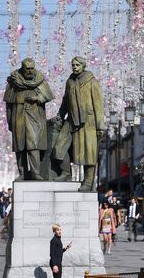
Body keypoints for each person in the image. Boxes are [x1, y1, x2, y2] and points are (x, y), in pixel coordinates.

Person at [57, 56, 105, 191]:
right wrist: (60, 115)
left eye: (77, 65)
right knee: (60, 146)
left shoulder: (92, 82)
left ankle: (88, 182)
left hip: (88, 122)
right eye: (73, 65)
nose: (74, 67)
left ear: (83, 66)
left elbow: (98, 105)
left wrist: (100, 125)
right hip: (72, 120)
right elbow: (66, 101)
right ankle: (66, 173)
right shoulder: (70, 82)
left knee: (88, 153)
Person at [4, 57, 56, 180]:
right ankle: (22, 172)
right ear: (22, 68)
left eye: (32, 68)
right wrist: (10, 121)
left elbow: (47, 95)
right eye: (27, 69)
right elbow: (8, 104)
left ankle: (35, 172)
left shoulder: (39, 79)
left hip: (35, 116)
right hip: (18, 115)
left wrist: (38, 98)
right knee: (20, 146)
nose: (30, 71)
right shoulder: (14, 81)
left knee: (34, 145)